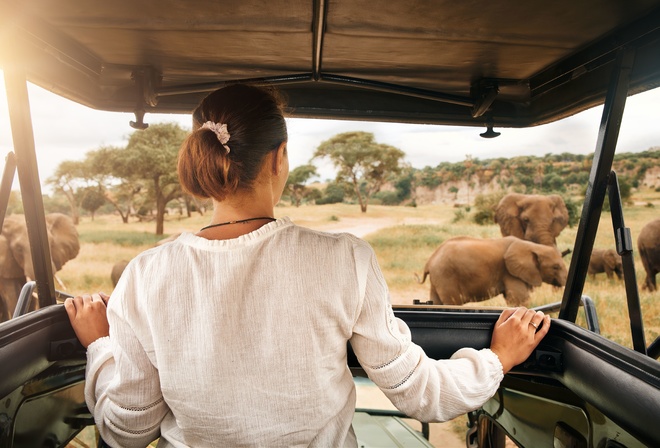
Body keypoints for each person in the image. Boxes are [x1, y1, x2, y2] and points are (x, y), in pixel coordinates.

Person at [65, 83, 551, 448]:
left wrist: (101, 345)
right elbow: (420, 393)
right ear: (279, 159)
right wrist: (497, 358)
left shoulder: (145, 275)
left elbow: (126, 429)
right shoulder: (344, 258)